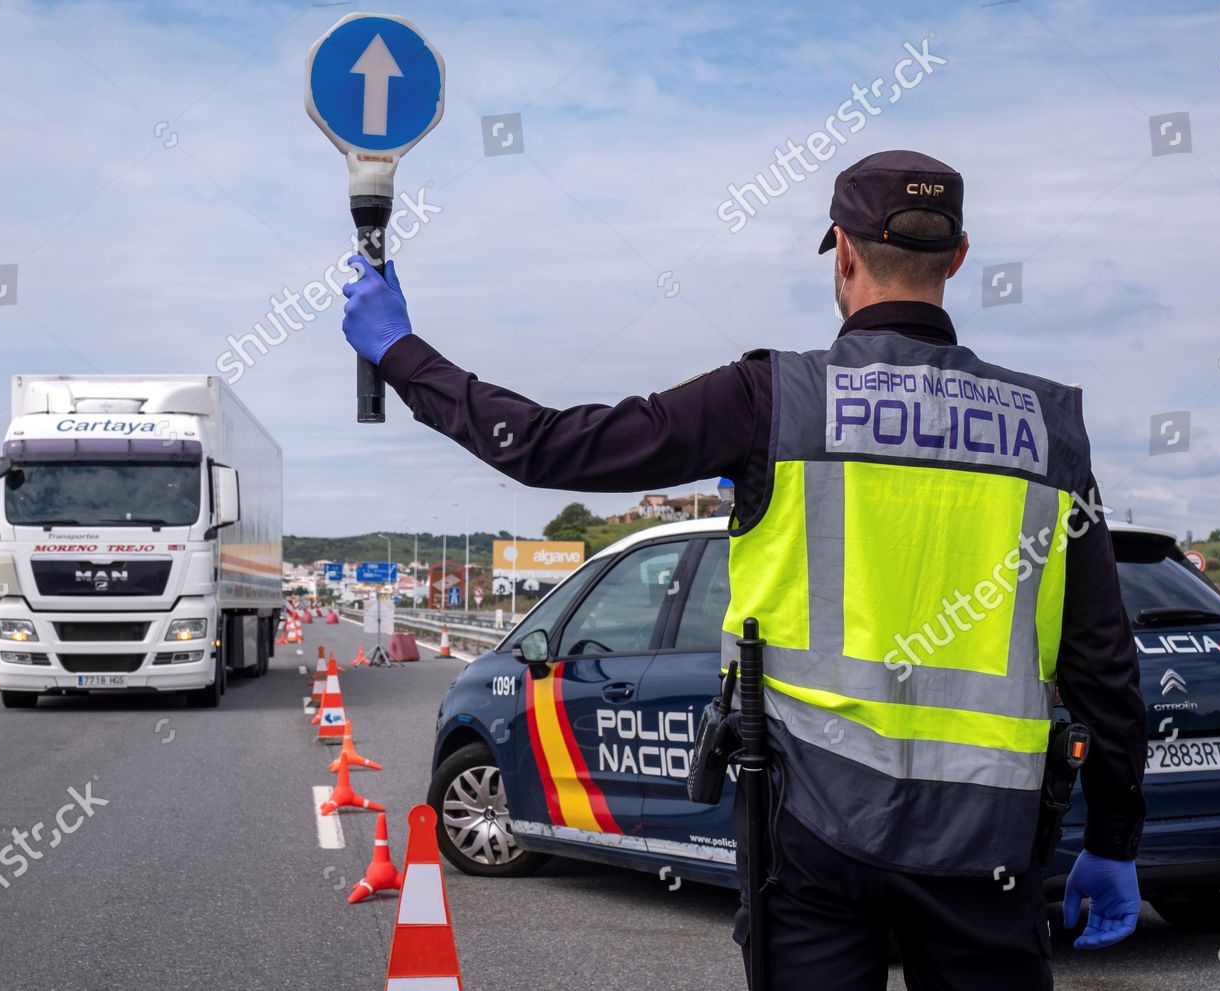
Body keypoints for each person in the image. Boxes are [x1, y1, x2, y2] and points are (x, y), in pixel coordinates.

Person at [341, 150, 1147, 990]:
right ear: (958, 256)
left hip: (812, 833)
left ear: (841, 250)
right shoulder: (1048, 432)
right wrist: (1116, 837)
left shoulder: (772, 399)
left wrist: (401, 351)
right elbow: (1102, 658)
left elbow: (550, 444)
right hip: (989, 846)